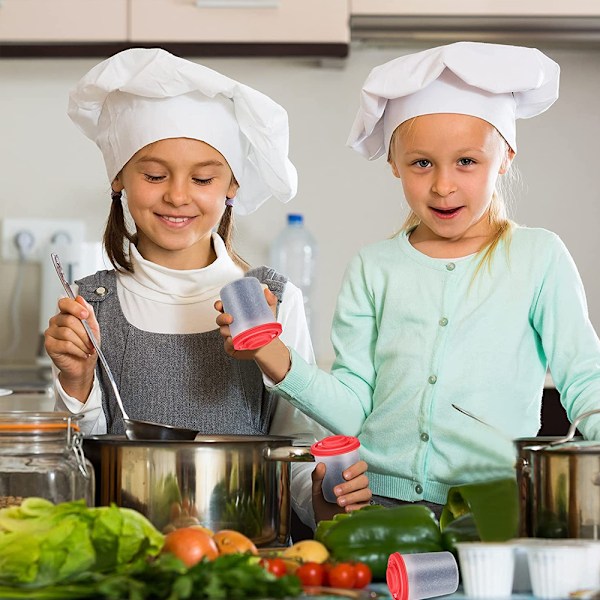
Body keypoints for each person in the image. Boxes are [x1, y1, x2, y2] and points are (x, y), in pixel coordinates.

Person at [217, 41, 600, 518]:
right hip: (380, 508)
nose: (443, 185)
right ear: (394, 163)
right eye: (422, 163)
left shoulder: (538, 257)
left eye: (467, 161)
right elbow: (355, 407)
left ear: (504, 157)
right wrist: (273, 356)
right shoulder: (373, 268)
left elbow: (585, 378)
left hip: (492, 511)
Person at [44, 47, 371, 529]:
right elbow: (78, 464)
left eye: (202, 177)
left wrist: (328, 494)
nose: (177, 195)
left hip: (247, 552)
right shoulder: (90, 305)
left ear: (231, 186)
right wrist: (76, 383)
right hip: (130, 559)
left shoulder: (272, 300)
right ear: (119, 178)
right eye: (155, 175)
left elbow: (296, 448)